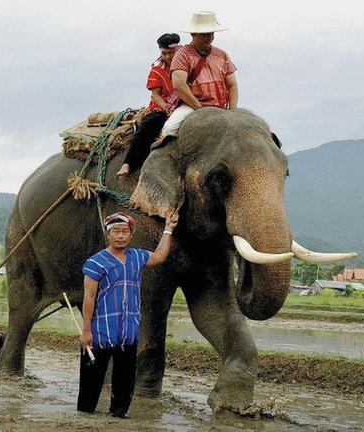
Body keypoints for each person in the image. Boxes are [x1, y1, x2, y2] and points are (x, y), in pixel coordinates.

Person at [77, 211, 178, 418]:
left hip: (128, 333)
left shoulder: (137, 257)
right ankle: (84, 418)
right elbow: (88, 298)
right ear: (108, 234)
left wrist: (168, 229)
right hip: (100, 334)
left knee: (124, 384)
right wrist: (86, 331)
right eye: (116, 231)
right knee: (90, 384)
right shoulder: (95, 263)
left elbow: (159, 256)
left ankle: (118, 418)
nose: (120, 235)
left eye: (125, 231)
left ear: (131, 234)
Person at [160, 11, 238, 138]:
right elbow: (179, 85)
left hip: (220, 107)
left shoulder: (222, 55)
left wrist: (233, 111)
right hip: (191, 107)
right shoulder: (182, 54)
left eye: (211, 33)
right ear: (193, 34)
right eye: (204, 34)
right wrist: (200, 109)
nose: (209, 37)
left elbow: (232, 85)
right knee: (169, 129)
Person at [117, 33, 181, 177]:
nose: (168, 57)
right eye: (164, 53)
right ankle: (128, 162)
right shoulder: (158, 68)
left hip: (186, 103)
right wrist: (166, 107)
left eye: (171, 53)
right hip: (164, 106)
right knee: (152, 121)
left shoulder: (188, 62)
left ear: (179, 49)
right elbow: (155, 95)